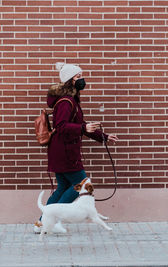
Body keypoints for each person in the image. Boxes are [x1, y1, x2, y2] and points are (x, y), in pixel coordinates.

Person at [34, 62, 119, 233]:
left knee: (63, 188)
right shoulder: (66, 101)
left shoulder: (69, 100)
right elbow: (62, 125)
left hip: (61, 151)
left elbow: (81, 125)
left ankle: (42, 223)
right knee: (80, 185)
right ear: (70, 81)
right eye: (78, 77)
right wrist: (82, 128)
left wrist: (103, 136)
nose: (82, 80)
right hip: (65, 153)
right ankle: (54, 220)